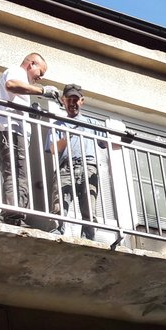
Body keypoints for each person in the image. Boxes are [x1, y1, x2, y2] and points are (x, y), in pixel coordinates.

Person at [0, 53, 60, 226]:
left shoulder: (18, 75)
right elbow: (12, 85)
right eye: (41, 72)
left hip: (9, 130)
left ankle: (13, 215)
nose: (41, 77)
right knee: (17, 174)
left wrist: (30, 114)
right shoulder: (17, 72)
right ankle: (13, 217)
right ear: (31, 64)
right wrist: (43, 91)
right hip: (11, 131)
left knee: (16, 173)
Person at [47, 84, 107, 239]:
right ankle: (57, 231)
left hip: (88, 166)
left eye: (76, 99)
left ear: (82, 101)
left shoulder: (91, 122)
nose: (72, 103)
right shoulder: (57, 124)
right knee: (60, 204)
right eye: (69, 99)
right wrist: (68, 137)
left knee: (89, 206)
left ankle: (88, 237)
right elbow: (53, 149)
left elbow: (106, 143)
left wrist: (124, 140)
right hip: (66, 167)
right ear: (63, 100)